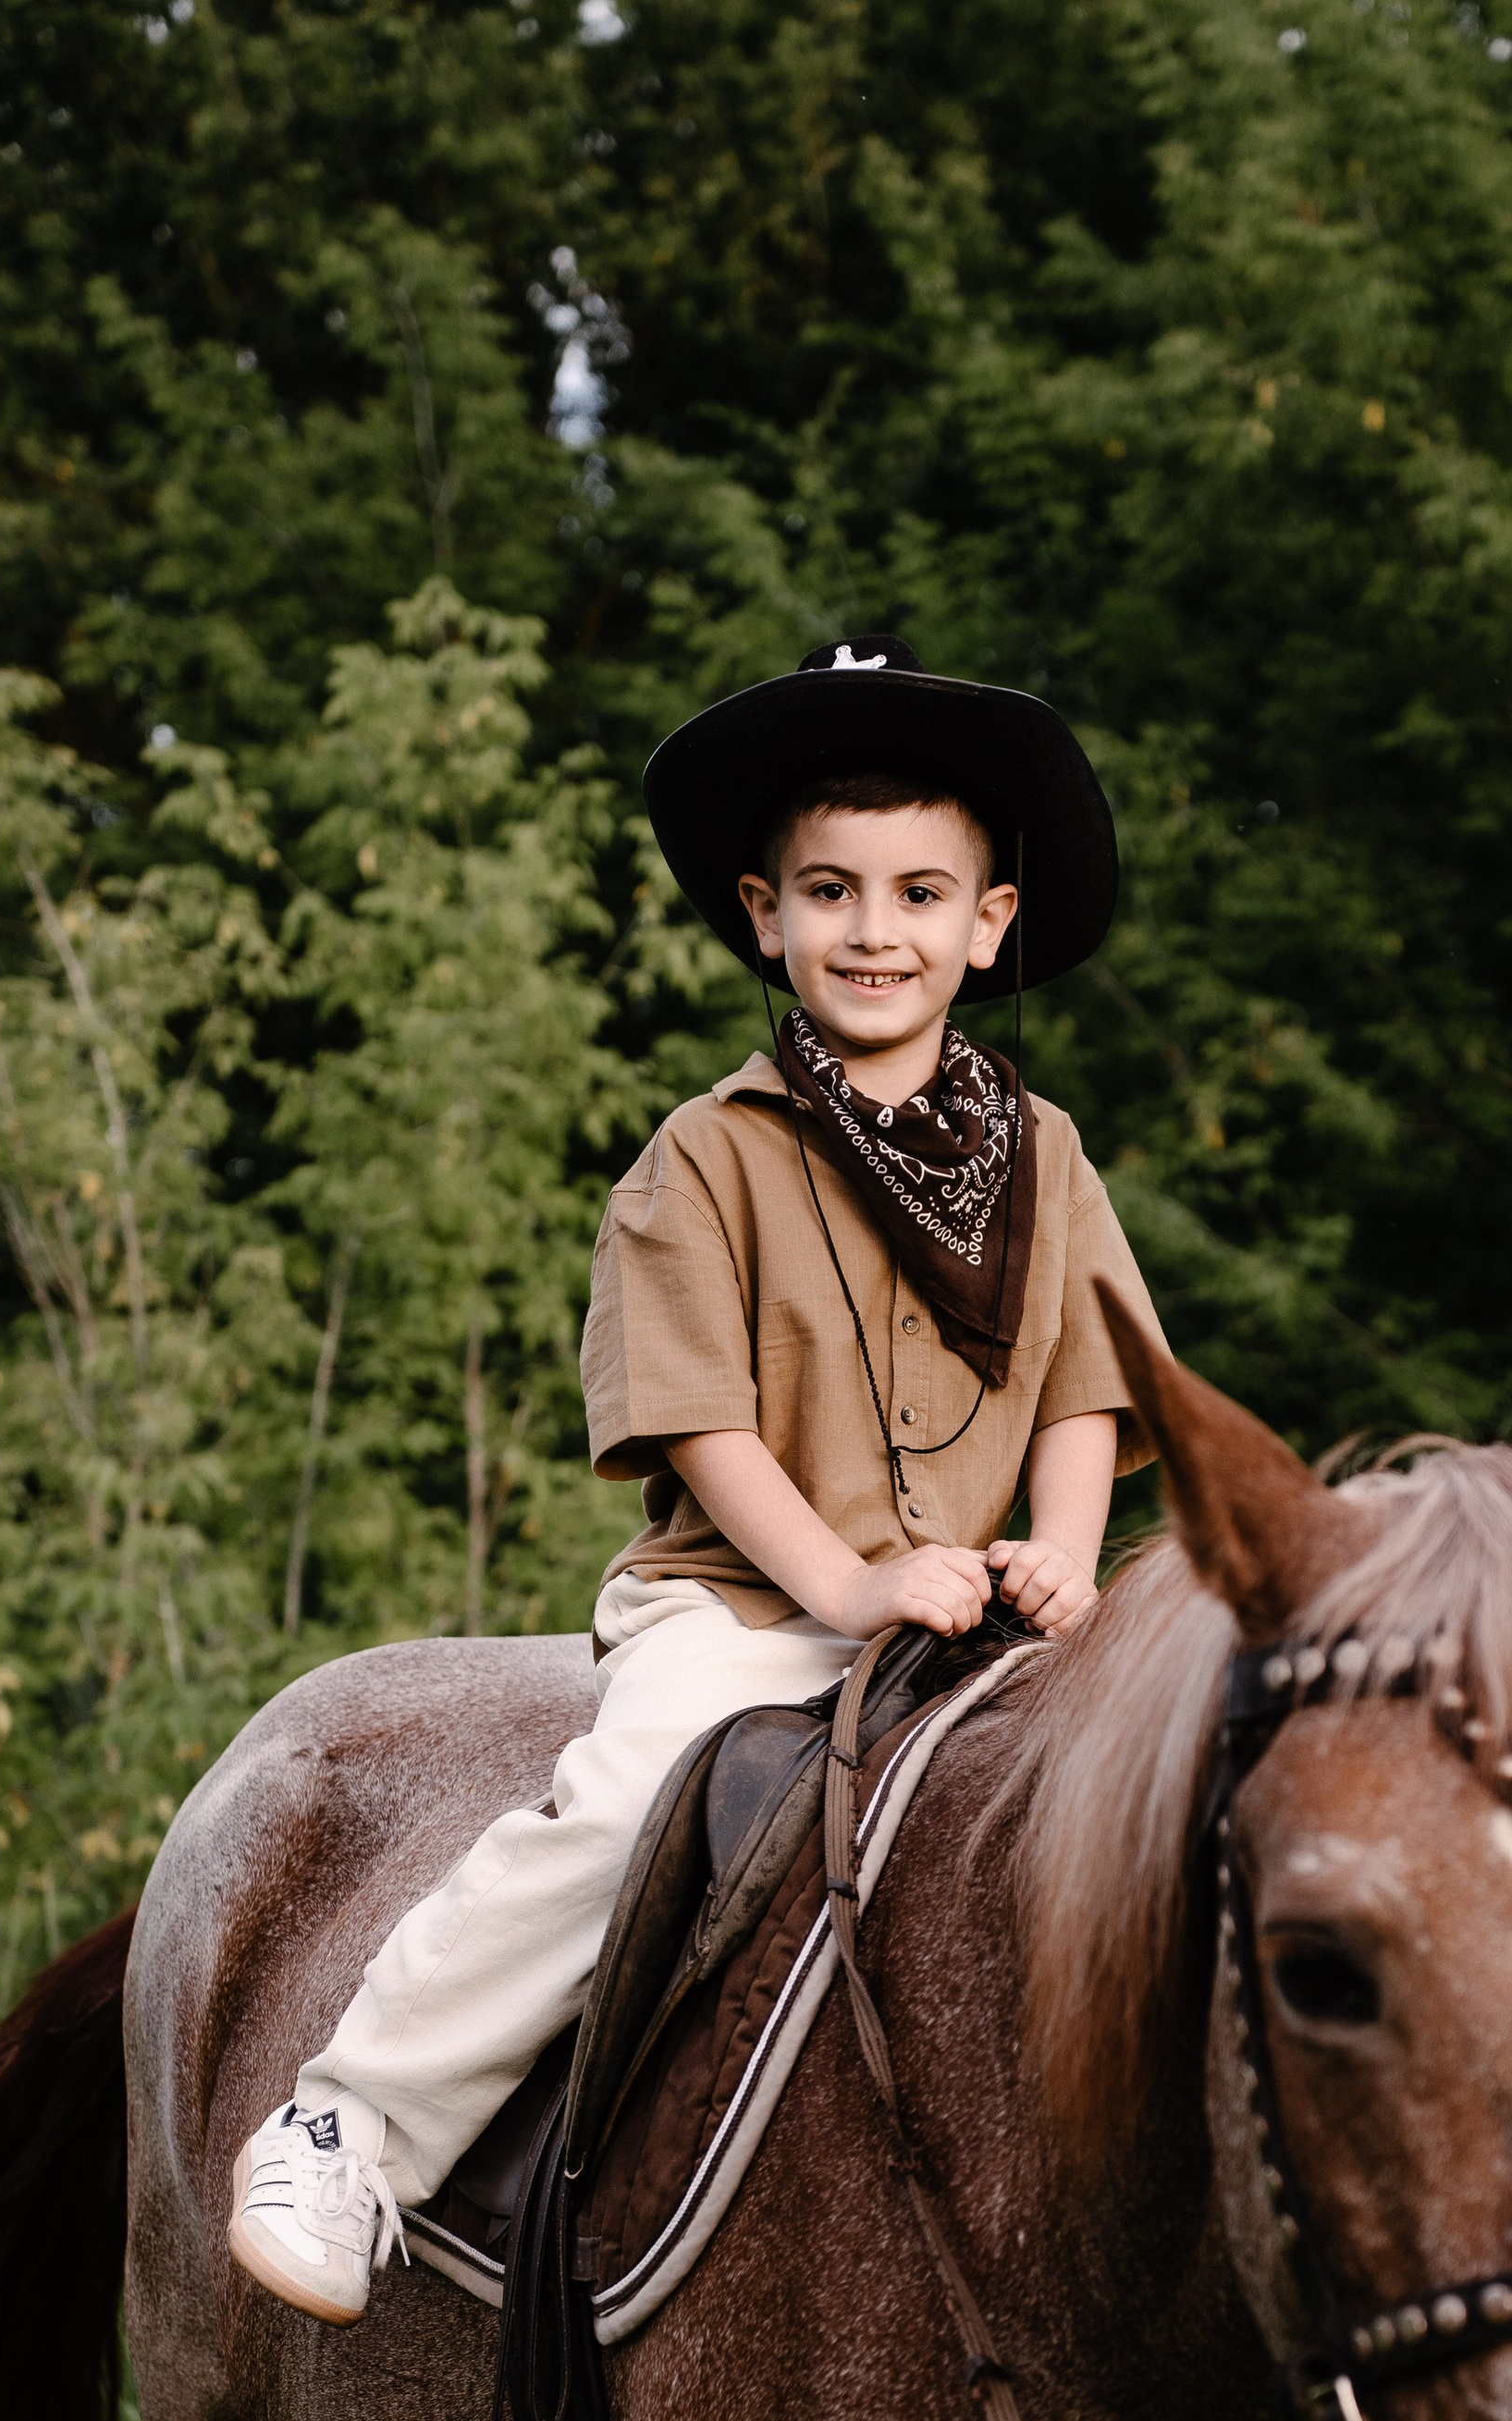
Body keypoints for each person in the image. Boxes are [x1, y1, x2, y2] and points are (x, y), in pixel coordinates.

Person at [228, 634, 1168, 2322]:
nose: (874, 930)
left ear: (988, 924)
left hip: (974, 1616)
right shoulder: (706, 1157)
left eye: (918, 894)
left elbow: (1087, 1382)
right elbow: (702, 1425)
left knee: (1170, 1797)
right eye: (830, 891)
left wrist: (1070, 1554)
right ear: (763, 914)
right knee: (633, 1801)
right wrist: (851, 1585)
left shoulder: (1047, 1156)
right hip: (750, 1609)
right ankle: (351, 2123)